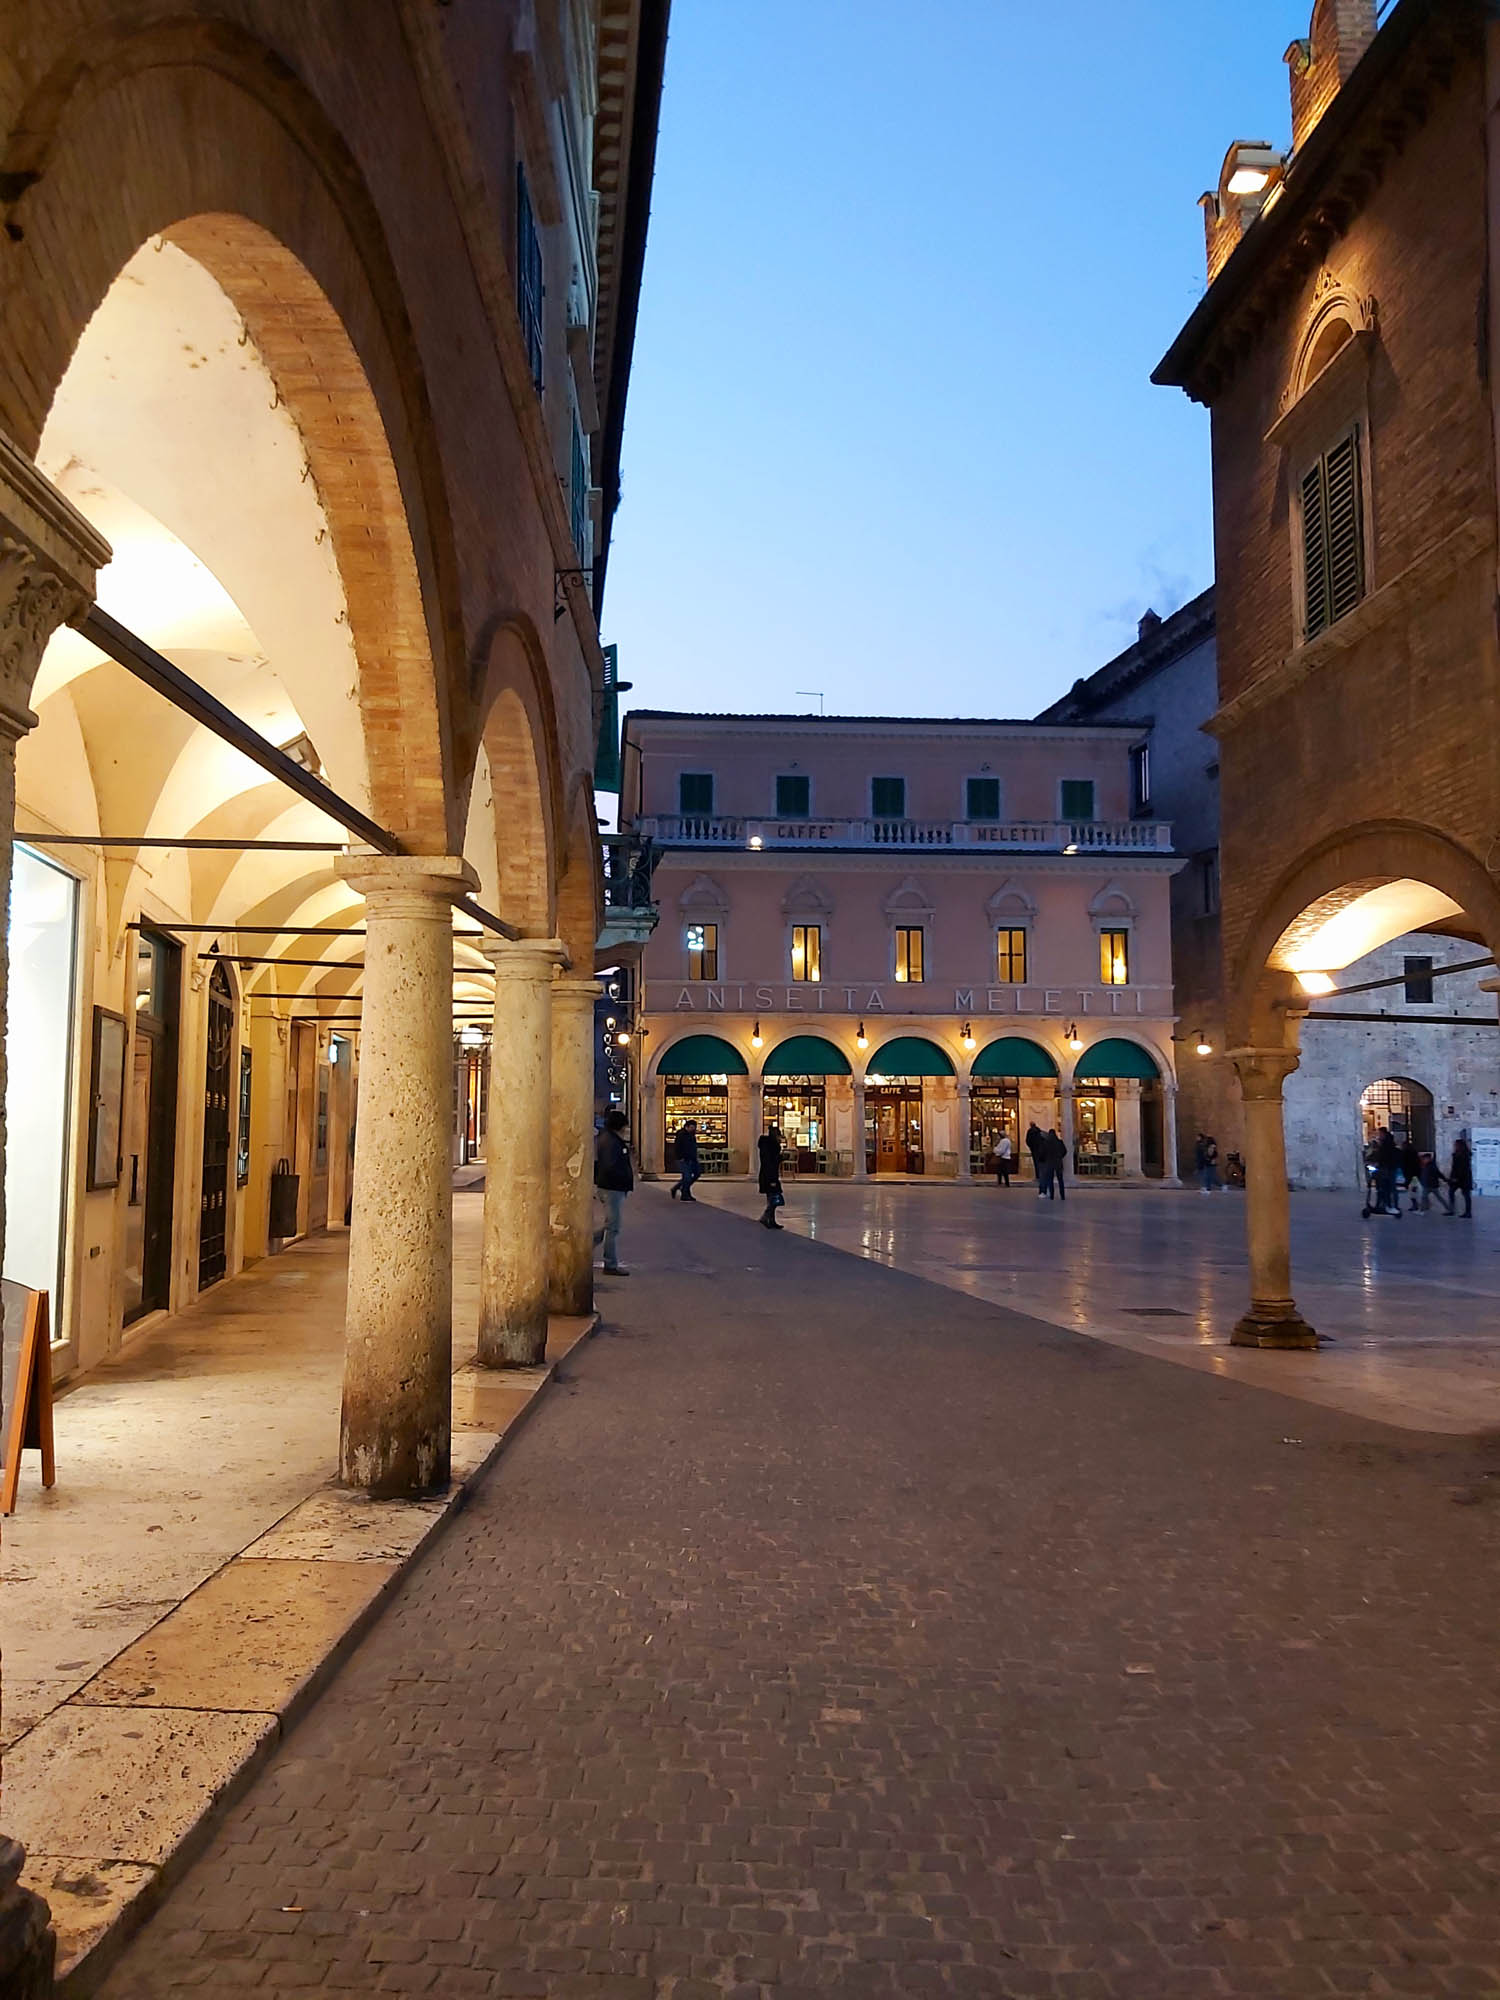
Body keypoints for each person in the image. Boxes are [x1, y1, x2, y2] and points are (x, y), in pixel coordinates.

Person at [592, 1110, 633, 1276]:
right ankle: (610, 1264)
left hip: (609, 1187)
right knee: (613, 1227)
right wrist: (622, 1178)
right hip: (612, 1188)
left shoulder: (608, 1139)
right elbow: (610, 1166)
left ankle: (584, 1249)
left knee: (606, 1226)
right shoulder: (612, 1142)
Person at [757, 1122, 784, 1229]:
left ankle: (770, 1219)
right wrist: (780, 1158)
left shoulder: (767, 1146)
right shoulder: (770, 1147)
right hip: (770, 1176)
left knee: (773, 1199)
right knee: (773, 1199)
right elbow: (770, 1162)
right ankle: (766, 1218)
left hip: (769, 1175)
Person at [670, 1118, 701, 1201]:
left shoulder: (692, 1135)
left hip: (692, 1158)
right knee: (687, 1177)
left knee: (697, 1173)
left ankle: (678, 1187)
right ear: (687, 1127)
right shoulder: (681, 1135)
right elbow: (677, 1147)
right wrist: (680, 1157)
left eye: (694, 1127)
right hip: (683, 1159)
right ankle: (685, 1194)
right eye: (692, 1127)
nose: (693, 1129)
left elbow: (693, 1146)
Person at [1373, 1126, 1400, 1217]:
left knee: (1387, 1187)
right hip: (1388, 1168)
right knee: (1387, 1187)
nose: (1379, 1135)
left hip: (1387, 1168)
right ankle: (1389, 1205)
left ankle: (1389, 1205)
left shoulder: (1386, 1145)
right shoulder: (1387, 1143)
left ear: (1383, 1134)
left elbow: (1384, 1157)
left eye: (1379, 1134)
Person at [1447, 1132, 1473, 1218]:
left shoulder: (1464, 1155)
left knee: (1466, 1195)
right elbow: (1454, 1167)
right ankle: (1452, 1210)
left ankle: (1468, 1212)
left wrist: (1455, 1178)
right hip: (1458, 1178)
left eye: (1456, 1145)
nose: (1454, 1146)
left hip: (1463, 1178)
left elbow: (1462, 1168)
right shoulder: (1456, 1154)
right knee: (1451, 1192)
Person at [1417, 1150, 1448, 1214]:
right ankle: (1426, 1207)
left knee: (1424, 1197)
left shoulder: (1431, 1166)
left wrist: (1445, 1179)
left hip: (1430, 1185)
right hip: (1429, 1185)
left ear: (1428, 1159)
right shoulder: (1426, 1166)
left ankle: (1422, 1210)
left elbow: (1438, 1173)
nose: (1423, 1160)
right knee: (1425, 1197)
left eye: (1424, 1159)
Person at [1043, 1126, 1068, 1202]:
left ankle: (1052, 1195)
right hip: (1058, 1162)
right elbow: (1065, 1151)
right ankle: (1062, 1195)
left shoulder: (1046, 1143)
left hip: (1050, 1163)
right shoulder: (1059, 1142)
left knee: (1050, 1180)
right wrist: (1060, 1156)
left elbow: (1043, 1153)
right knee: (1060, 1180)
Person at [1400, 1137, 1422, 1208]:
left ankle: (1415, 1204)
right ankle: (1416, 1203)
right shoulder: (1413, 1152)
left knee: (1412, 1189)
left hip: (1411, 1174)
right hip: (1414, 1174)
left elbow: (1404, 1164)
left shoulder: (1406, 1153)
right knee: (1413, 1189)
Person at [1025, 1121, 1045, 1195]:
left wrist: (1031, 1147)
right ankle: (1040, 1175)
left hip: (1034, 1150)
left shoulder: (1030, 1131)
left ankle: (1038, 1176)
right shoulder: (1039, 1131)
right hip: (1040, 1150)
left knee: (1036, 1163)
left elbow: (1027, 1140)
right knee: (1040, 1163)